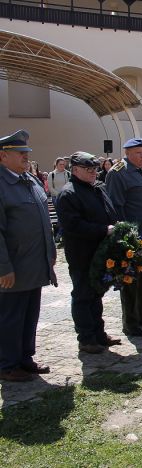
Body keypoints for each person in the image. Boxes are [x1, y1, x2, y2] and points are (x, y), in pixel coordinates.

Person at [0, 130, 56, 381]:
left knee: (30, 314)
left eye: (26, 152)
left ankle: (25, 358)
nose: (26, 156)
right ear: (3, 156)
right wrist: (3, 267)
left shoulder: (29, 180)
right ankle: (7, 365)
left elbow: (43, 221)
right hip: (14, 267)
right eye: (20, 152)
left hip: (34, 264)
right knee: (10, 317)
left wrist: (50, 252)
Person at [56, 152, 120, 354]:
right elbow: (73, 226)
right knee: (83, 295)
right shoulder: (69, 193)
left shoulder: (97, 188)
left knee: (96, 294)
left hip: (100, 252)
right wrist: (103, 230)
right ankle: (86, 338)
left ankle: (98, 333)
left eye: (95, 169)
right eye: (88, 169)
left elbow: (109, 212)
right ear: (75, 170)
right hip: (82, 254)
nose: (93, 172)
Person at [106, 138, 142, 337]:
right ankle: (130, 322)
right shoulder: (118, 173)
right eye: (138, 153)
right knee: (130, 282)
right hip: (132, 240)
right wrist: (124, 238)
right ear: (127, 153)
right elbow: (115, 207)